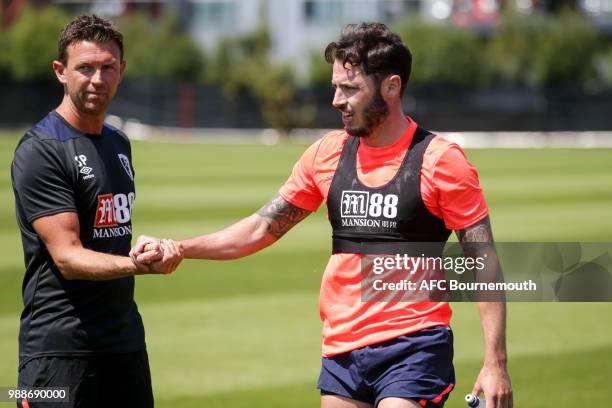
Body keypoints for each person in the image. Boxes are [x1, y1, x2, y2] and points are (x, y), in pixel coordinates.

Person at [135, 22, 513, 408]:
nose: (336, 100)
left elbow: (483, 260)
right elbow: (261, 228)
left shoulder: (441, 160)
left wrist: (495, 362)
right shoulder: (327, 154)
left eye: (350, 89)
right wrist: (179, 248)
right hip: (342, 350)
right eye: (335, 86)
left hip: (414, 344)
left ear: (392, 87)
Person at [11, 14, 182, 408]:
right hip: (56, 353)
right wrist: (137, 265)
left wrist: (141, 255)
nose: (97, 79)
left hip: (125, 345)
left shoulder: (119, 142)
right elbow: (68, 257)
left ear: (121, 71)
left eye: (108, 68)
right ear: (60, 71)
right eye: (85, 68)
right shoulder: (40, 150)